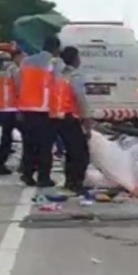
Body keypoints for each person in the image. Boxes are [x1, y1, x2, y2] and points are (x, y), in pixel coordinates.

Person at [18, 35, 60, 187]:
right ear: (56, 49)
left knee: (29, 144)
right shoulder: (55, 63)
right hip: (45, 109)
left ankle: (27, 174)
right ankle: (43, 177)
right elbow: (59, 85)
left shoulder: (26, 61)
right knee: (45, 146)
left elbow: (19, 84)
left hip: (26, 108)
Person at [50, 46, 92, 194]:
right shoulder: (75, 76)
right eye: (78, 57)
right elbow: (81, 99)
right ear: (74, 59)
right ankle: (76, 183)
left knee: (71, 151)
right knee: (82, 153)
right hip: (69, 117)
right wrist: (87, 121)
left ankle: (70, 181)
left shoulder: (58, 75)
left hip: (57, 116)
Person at [0, 49, 25, 175]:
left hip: (4, 108)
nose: (23, 60)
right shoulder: (15, 70)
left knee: (6, 138)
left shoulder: (3, 71)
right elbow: (19, 89)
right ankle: (24, 165)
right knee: (27, 136)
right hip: (13, 108)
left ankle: (0, 165)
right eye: (22, 57)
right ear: (16, 57)